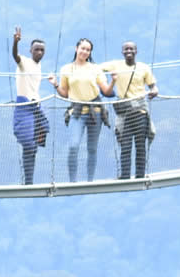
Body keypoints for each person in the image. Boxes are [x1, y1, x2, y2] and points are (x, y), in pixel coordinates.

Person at [53, 38, 113, 182]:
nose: (85, 52)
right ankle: (72, 181)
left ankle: (90, 180)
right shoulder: (66, 69)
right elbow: (65, 93)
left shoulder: (95, 68)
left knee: (92, 149)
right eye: (83, 48)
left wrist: (114, 81)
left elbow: (105, 90)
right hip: (77, 112)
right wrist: (55, 85)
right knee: (73, 146)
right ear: (76, 48)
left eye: (88, 50)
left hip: (95, 112)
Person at [106, 40, 160, 179]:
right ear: (122, 52)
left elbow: (153, 85)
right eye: (126, 49)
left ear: (136, 51)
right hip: (125, 113)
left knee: (140, 144)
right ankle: (125, 175)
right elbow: (95, 69)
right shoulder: (116, 65)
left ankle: (140, 175)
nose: (128, 51)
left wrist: (154, 91)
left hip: (140, 111)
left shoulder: (144, 68)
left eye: (131, 49)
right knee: (125, 145)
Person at [9, 27, 49, 184]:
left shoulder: (39, 66)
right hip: (24, 105)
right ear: (31, 51)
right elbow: (15, 56)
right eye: (36, 50)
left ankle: (29, 181)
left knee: (35, 144)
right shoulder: (24, 62)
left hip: (36, 107)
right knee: (28, 143)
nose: (39, 52)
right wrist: (15, 42)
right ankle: (28, 182)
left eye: (42, 50)